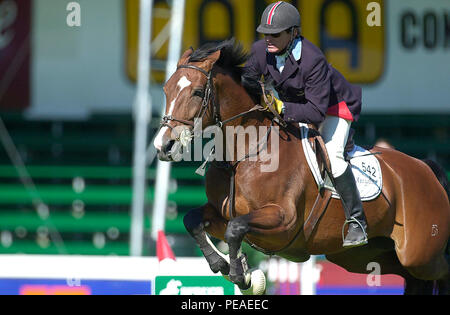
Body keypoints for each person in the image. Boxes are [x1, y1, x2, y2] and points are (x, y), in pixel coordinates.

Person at [245, 1, 368, 248]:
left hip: (333, 108)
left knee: (333, 156)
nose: (268, 39)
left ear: (293, 33)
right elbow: (246, 79)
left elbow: (315, 112)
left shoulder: (313, 60)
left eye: (275, 34)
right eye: (265, 33)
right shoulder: (261, 51)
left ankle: (357, 221)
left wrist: (279, 107)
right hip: (296, 105)